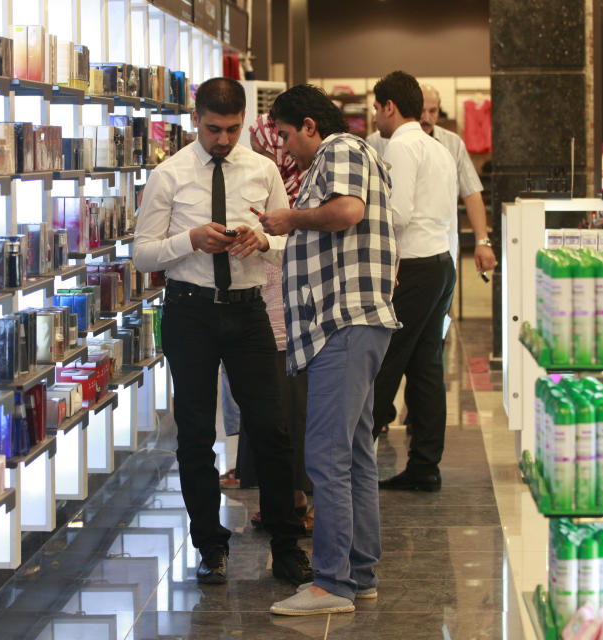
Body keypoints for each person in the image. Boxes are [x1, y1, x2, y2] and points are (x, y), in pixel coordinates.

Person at [133, 77, 313, 586]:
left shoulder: (262, 170)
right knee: (194, 433)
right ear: (196, 119)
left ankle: (286, 543)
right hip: (189, 311)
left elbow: (288, 241)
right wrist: (188, 240)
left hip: (247, 309)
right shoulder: (168, 176)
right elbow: (142, 253)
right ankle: (210, 545)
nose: (223, 139)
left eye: (233, 129)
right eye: (214, 129)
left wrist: (263, 241)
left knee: (272, 429)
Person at [259, 84, 399, 616]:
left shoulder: (339, 149)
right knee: (355, 454)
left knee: (326, 455)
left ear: (310, 126)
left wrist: (289, 218)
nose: (287, 146)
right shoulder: (360, 153)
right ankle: (359, 573)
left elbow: (346, 212)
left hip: (344, 324)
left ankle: (333, 584)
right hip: (351, 324)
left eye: (288, 134)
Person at [218, 114, 313, 535]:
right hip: (257, 307)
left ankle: (296, 497)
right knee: (265, 406)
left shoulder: (298, 185)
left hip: (286, 312)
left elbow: (293, 244)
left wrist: (266, 237)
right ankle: (277, 497)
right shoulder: (257, 180)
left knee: (290, 409)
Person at [369, 71, 458, 492]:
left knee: (386, 363)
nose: (374, 117)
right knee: (426, 368)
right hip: (440, 262)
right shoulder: (436, 145)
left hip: (415, 267)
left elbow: (398, 213)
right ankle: (425, 467)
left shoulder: (401, 145)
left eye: (376, 108)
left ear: (389, 107)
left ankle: (353, 462)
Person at [366, 84, 497, 275]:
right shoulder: (377, 142)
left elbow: (471, 191)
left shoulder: (451, 143)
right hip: (395, 254)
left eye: (433, 111)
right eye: (422, 111)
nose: (426, 118)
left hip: (439, 250)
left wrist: (482, 240)